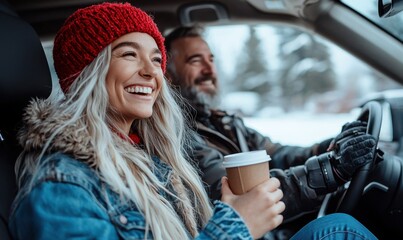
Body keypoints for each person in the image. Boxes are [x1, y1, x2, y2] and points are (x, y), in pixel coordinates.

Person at [7, 3, 377, 240]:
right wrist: (236, 226)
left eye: (155, 59)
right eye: (128, 54)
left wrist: (329, 155)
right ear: (87, 73)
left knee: (336, 229)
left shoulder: (154, 155)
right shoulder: (61, 185)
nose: (150, 72)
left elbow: (274, 153)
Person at [164, 25, 380, 232]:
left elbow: (277, 154)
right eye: (195, 61)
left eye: (211, 59)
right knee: (342, 229)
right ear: (169, 75)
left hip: (272, 230)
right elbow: (243, 195)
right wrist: (329, 170)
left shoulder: (225, 121)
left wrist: (332, 146)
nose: (210, 70)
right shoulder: (180, 135)